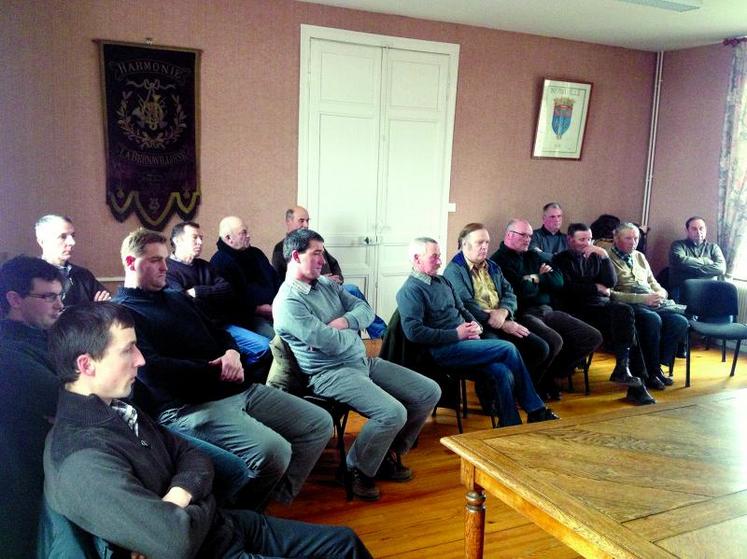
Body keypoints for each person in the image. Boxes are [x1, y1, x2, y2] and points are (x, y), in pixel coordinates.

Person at [43, 302, 372, 559]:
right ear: (86, 364)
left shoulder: (117, 407)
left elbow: (194, 455)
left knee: (345, 542)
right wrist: (201, 498)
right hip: (207, 551)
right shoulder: (81, 457)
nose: (141, 360)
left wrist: (178, 497)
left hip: (222, 528)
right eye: (128, 349)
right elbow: (175, 543)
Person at [113, 228, 332, 510]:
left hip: (236, 387)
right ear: (132, 263)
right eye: (156, 260)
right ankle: (242, 517)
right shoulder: (122, 313)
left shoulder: (178, 298)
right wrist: (214, 369)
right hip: (188, 405)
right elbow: (153, 371)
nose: (165, 267)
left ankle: (273, 500)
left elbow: (221, 332)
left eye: (165, 259)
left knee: (319, 423)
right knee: (274, 451)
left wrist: (231, 353)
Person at [273, 228, 440, 501]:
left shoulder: (326, 284)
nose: (323, 261)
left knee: (428, 392)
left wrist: (344, 323)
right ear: (295, 255)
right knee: (392, 412)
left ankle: (385, 454)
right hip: (328, 373)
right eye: (316, 254)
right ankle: (355, 469)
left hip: (360, 361)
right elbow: (329, 343)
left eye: (323, 254)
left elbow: (364, 309)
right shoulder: (288, 302)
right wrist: (352, 334)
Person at [396, 237, 558, 428]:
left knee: (502, 371)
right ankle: (536, 409)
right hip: (442, 351)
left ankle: (509, 423)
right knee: (508, 348)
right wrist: (457, 334)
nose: (440, 261)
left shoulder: (442, 281)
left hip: (466, 343)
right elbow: (414, 333)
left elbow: (462, 308)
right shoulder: (410, 291)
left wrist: (475, 325)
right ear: (416, 258)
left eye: (439, 256)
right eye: (434, 257)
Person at [491, 219, 602, 398]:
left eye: (530, 235)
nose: (528, 239)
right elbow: (520, 291)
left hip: (547, 310)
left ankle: (549, 376)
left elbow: (558, 280)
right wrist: (540, 278)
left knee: (592, 337)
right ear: (509, 235)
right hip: (523, 313)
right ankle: (534, 385)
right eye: (523, 235)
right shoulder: (498, 261)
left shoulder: (532, 255)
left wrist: (534, 278)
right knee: (554, 340)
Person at [553, 224, 658, 404]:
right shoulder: (560, 260)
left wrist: (605, 257)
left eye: (590, 239)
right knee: (627, 330)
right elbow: (566, 288)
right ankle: (637, 385)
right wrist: (594, 287)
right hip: (576, 309)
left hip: (600, 306)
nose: (587, 243)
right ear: (570, 240)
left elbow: (610, 282)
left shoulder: (596, 256)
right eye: (582, 240)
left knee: (625, 312)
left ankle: (623, 368)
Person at [443, 223, 553, 394]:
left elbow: (510, 293)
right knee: (501, 351)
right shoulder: (454, 270)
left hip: (503, 318)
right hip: (478, 326)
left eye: (487, 242)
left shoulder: (492, 266)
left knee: (540, 348)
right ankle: (491, 398)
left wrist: (504, 312)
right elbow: (466, 304)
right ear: (465, 244)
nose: (485, 247)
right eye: (480, 242)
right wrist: (501, 324)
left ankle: (519, 390)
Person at [272, 206, 387, 338]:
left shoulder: (313, 243)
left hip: (331, 287)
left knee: (354, 296)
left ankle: (381, 333)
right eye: (301, 220)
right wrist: (321, 279)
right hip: (311, 292)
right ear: (289, 222)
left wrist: (338, 279)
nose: (306, 225)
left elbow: (333, 263)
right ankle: (382, 333)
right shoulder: (280, 249)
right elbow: (282, 281)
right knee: (353, 290)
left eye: (308, 221)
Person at [167, 221, 269, 363]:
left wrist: (197, 291)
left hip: (221, 326)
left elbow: (227, 290)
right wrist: (212, 295)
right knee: (263, 347)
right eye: (195, 238)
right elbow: (182, 302)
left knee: (265, 347)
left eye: (201, 238)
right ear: (178, 241)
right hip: (197, 331)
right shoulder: (167, 270)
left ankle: (239, 376)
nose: (200, 242)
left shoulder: (205, 265)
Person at [608, 222, 689, 383]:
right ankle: (649, 372)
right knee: (653, 320)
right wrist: (643, 299)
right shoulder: (607, 258)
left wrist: (661, 293)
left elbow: (653, 283)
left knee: (679, 322)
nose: (633, 242)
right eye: (628, 238)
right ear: (616, 239)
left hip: (652, 302)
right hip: (630, 305)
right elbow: (610, 294)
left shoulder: (639, 256)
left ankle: (657, 366)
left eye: (636, 238)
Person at [210, 216, 280, 340]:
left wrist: (279, 303)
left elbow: (275, 279)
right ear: (228, 238)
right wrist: (257, 309)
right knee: (278, 341)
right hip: (248, 318)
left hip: (276, 310)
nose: (248, 236)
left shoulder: (256, 253)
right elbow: (229, 304)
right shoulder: (219, 262)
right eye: (243, 233)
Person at [35, 214, 110, 304]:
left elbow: (108, 308)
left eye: (73, 236)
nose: (72, 242)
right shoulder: (31, 275)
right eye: (63, 236)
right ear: (42, 241)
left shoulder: (83, 275)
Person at [668, 216, 726, 300]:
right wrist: (706, 262)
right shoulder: (678, 245)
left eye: (701, 228)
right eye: (694, 229)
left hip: (709, 290)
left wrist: (692, 270)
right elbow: (681, 261)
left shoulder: (714, 247)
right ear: (687, 231)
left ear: (705, 230)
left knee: (722, 308)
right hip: (683, 290)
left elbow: (721, 268)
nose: (698, 232)